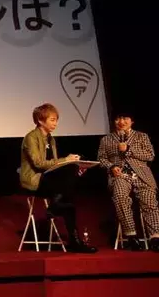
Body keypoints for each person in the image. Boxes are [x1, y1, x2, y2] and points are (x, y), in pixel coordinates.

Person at [20, 103, 97, 253]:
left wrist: (74, 164)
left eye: (56, 120)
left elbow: (54, 166)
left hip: (50, 180)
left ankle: (74, 240)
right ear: (40, 120)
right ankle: (55, 207)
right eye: (52, 120)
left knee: (69, 200)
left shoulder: (51, 139)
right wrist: (65, 160)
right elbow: (39, 163)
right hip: (35, 180)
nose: (55, 123)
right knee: (68, 180)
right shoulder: (31, 137)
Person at [98, 111, 159, 252]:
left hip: (141, 176)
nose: (121, 122)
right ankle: (131, 236)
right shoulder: (106, 139)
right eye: (118, 118)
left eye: (125, 118)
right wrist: (111, 166)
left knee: (149, 200)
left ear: (132, 121)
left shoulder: (141, 136)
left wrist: (129, 149)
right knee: (120, 196)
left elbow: (150, 155)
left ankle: (155, 238)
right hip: (120, 175)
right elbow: (101, 159)